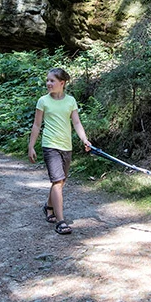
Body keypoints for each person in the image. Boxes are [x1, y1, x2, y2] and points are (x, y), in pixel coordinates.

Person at [28, 67, 91, 235]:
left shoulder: (70, 101)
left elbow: (76, 123)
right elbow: (36, 125)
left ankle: (48, 207)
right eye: (47, 80)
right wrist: (31, 146)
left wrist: (84, 139)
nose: (48, 83)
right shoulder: (43, 101)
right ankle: (61, 221)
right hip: (50, 145)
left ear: (62, 83)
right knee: (57, 182)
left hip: (66, 146)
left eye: (52, 81)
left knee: (60, 182)